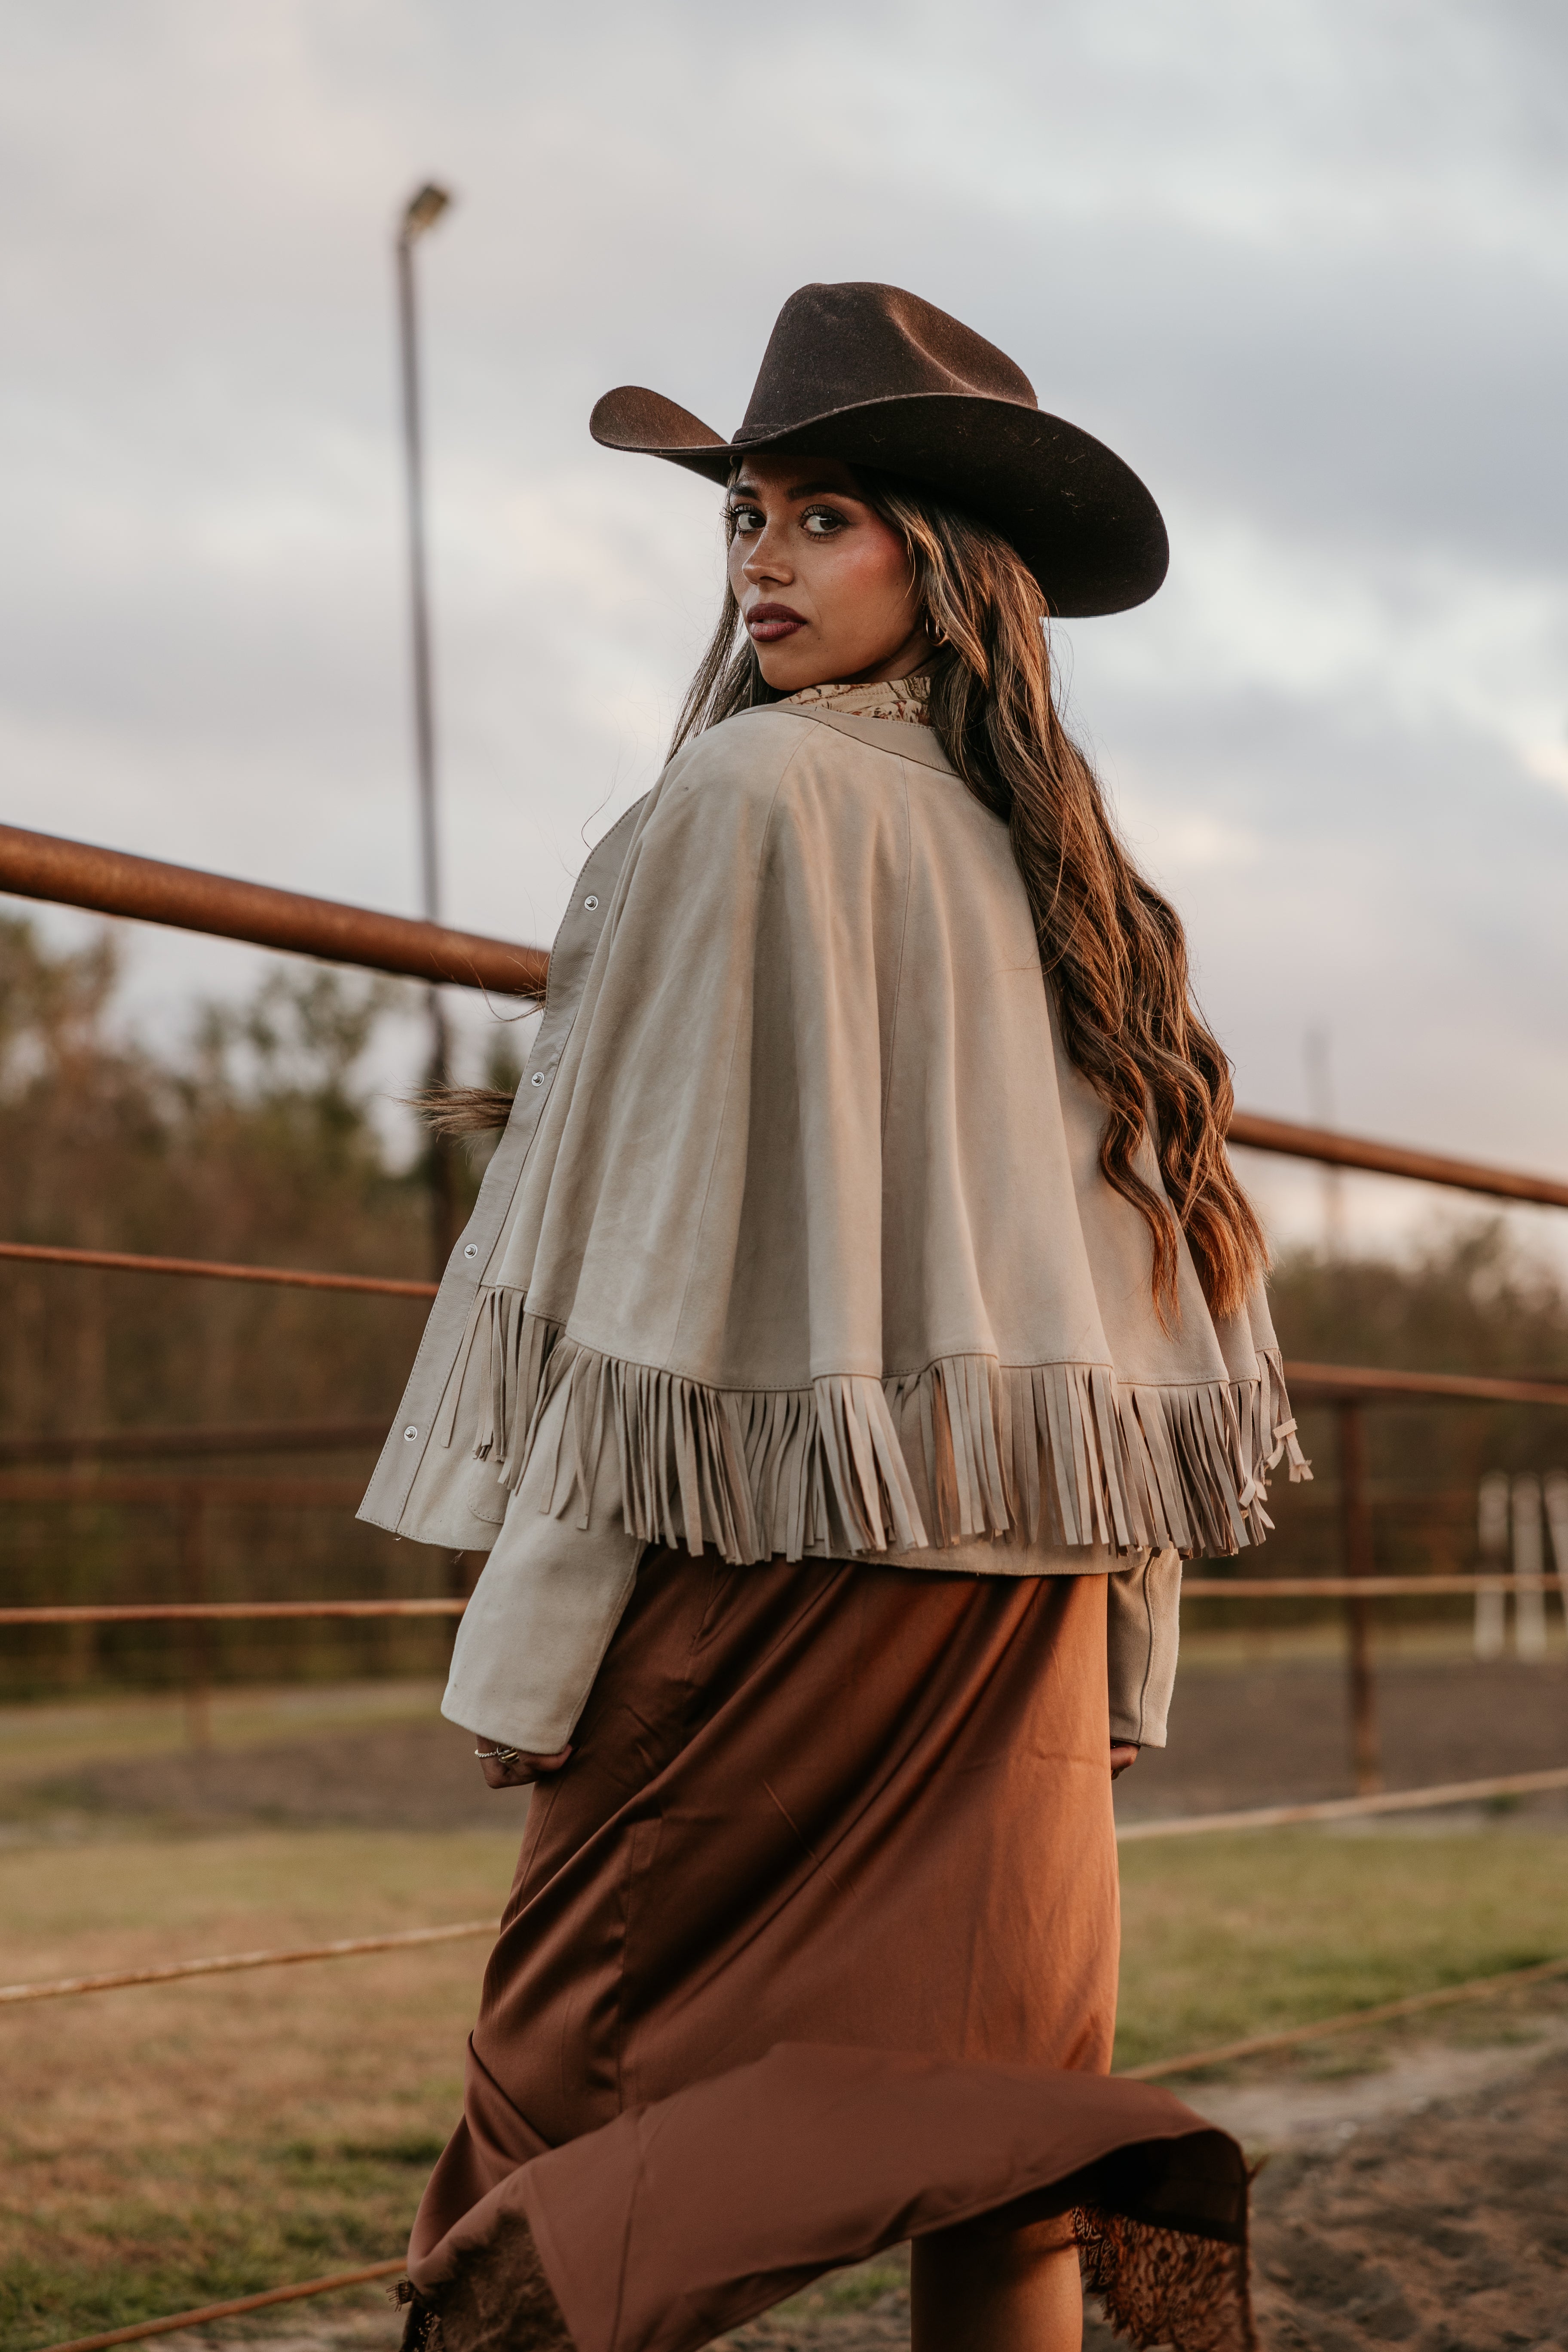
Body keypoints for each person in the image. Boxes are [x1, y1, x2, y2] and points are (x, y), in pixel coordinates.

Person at [361, 282, 1306, 2352]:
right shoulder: (1078, 875)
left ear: (949, 562)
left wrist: (527, 1649)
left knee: (550, 2132)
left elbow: (645, 1284)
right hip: (1022, 1627)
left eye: (827, 517)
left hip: (759, 1616)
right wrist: (1120, 1663)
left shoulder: (744, 801)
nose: (764, 564)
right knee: (1007, 2137)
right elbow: (1142, 1294)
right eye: (746, 518)